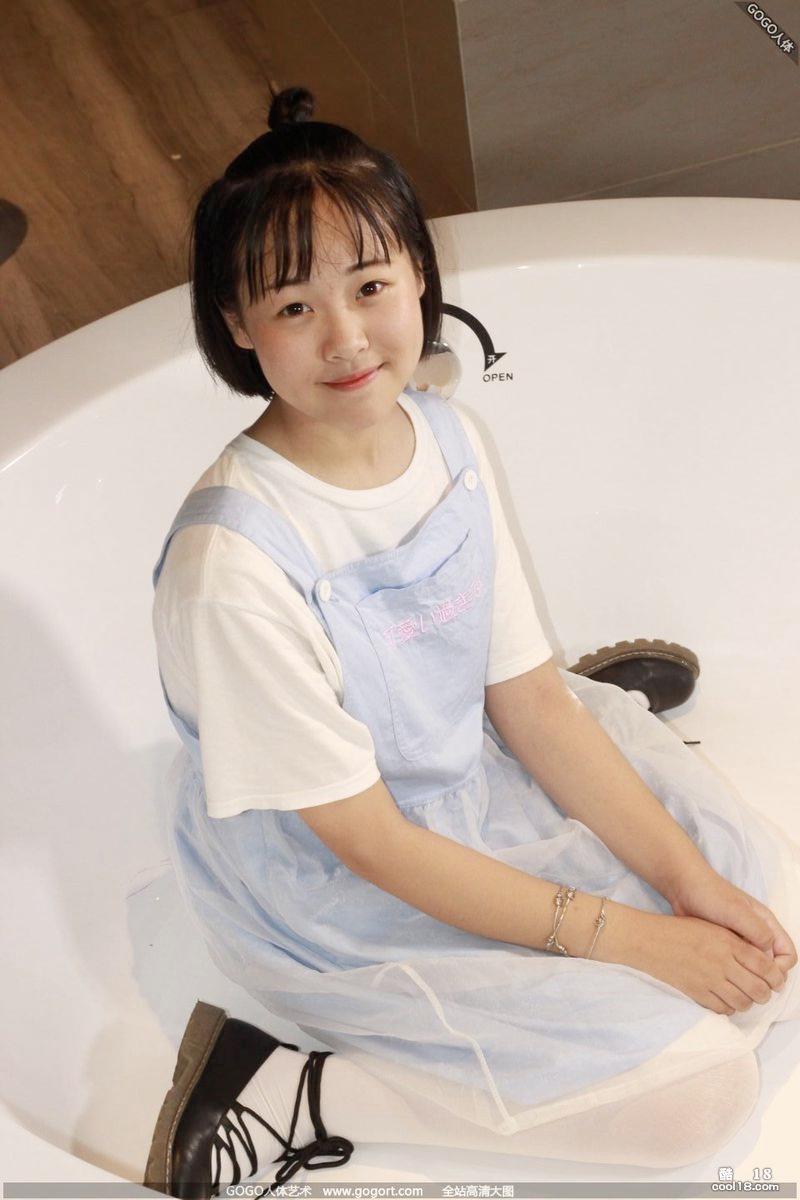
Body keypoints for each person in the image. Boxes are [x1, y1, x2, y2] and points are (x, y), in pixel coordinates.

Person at [143, 82, 800, 1198]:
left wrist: (686, 884)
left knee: (762, 940)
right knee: (698, 1102)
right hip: (341, 871)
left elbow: (532, 703)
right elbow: (373, 845)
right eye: (294, 306)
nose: (347, 337)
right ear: (237, 325)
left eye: (370, 286)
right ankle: (286, 1091)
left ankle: (506, 736)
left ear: (417, 276)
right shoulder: (234, 566)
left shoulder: (443, 434)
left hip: (468, 767)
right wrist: (636, 938)